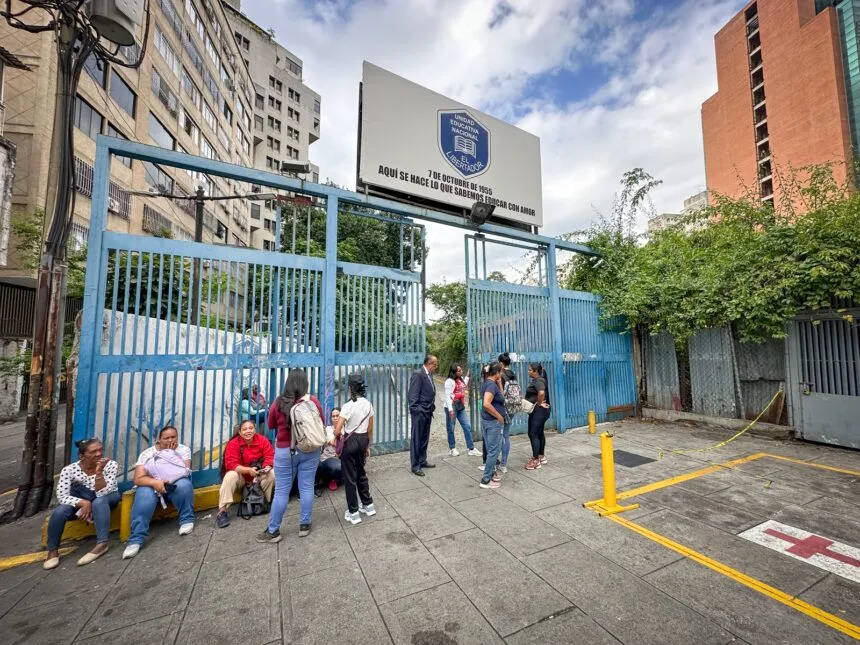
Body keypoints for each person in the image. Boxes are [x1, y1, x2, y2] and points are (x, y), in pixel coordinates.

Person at [260, 368, 324, 541]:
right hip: (309, 449)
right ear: (305, 383)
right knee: (307, 487)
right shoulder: (312, 401)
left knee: (281, 491)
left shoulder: (278, 402)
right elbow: (321, 422)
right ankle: (304, 524)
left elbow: (271, 425)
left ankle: (273, 530)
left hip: (285, 451)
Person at [44, 438, 120, 569]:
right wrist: (84, 503)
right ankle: (52, 551)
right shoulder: (69, 470)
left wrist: (99, 472)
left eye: (100, 450)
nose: (98, 454)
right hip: (81, 501)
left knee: (99, 502)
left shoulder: (110, 465)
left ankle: (102, 544)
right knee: (60, 511)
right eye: (93, 452)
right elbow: (62, 496)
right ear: (81, 456)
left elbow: (103, 492)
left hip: (107, 497)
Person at [123, 425, 194, 559]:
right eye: (166, 438)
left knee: (184, 485)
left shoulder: (183, 449)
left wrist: (171, 453)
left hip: (173, 482)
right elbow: (138, 478)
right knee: (144, 496)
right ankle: (136, 538)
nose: (170, 440)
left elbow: (184, 471)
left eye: (173, 437)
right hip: (151, 484)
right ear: (159, 440)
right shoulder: (147, 454)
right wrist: (156, 483)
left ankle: (187, 519)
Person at [215, 419, 275, 528]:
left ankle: (263, 502)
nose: (248, 431)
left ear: (255, 429)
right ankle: (222, 511)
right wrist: (248, 470)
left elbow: (270, 456)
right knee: (230, 475)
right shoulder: (233, 443)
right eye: (245, 429)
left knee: (272, 473)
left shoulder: (262, 440)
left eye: (251, 428)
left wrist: (266, 467)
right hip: (242, 479)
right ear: (240, 432)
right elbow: (231, 464)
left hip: (257, 477)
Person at [335, 374, 376, 525]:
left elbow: (338, 429)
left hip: (350, 441)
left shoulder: (348, 406)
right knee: (361, 473)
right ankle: (368, 505)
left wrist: (336, 435)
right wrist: (367, 445)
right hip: (363, 439)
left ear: (350, 388)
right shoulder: (368, 404)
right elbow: (370, 428)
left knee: (350, 477)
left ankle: (353, 512)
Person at [408, 354, 438, 476]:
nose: (436, 367)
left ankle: (422, 460)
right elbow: (413, 396)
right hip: (420, 413)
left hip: (428, 411)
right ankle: (415, 465)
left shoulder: (429, 374)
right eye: (435, 364)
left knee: (424, 437)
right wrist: (417, 410)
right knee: (417, 439)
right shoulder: (418, 374)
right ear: (429, 364)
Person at [479, 362, 507, 489]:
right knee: (493, 451)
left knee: (495, 447)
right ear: (496, 373)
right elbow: (486, 403)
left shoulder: (489, 383)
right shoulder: (490, 385)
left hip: (488, 421)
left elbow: (501, 397)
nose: (502, 374)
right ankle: (486, 479)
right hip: (493, 422)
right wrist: (498, 416)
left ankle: (490, 474)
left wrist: (499, 382)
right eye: (501, 372)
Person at [444, 364, 480, 457]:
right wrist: (450, 410)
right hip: (451, 405)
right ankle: (452, 448)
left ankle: (471, 448)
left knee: (467, 426)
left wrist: (467, 376)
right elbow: (448, 396)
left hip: (460, 405)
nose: (461, 372)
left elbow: (463, 386)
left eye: (461, 370)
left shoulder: (460, 379)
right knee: (451, 428)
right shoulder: (449, 381)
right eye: (459, 371)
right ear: (454, 372)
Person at [525, 363, 552, 470]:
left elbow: (541, 393)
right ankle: (541, 456)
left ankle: (536, 461)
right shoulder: (538, 380)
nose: (528, 371)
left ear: (535, 371)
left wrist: (540, 403)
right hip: (540, 411)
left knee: (533, 433)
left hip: (539, 412)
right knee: (539, 433)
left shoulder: (539, 381)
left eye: (530, 370)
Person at [497, 352, 516, 473]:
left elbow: (499, 393)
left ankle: (495, 461)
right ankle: (504, 464)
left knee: (498, 435)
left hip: (502, 408)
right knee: (506, 435)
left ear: (500, 362)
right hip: (511, 408)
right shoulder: (512, 374)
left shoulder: (501, 374)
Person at [317, 408, 343, 493]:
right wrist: (338, 431)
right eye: (333, 416)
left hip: (342, 456)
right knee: (338, 467)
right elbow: (333, 442)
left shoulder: (346, 428)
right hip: (329, 457)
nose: (335, 418)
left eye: (337, 416)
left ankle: (337, 479)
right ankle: (331, 479)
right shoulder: (328, 429)